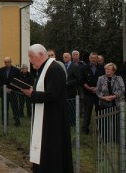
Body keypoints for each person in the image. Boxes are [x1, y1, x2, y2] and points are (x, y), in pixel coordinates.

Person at [21, 44, 73, 173]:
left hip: (53, 118)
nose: (30, 60)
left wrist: (32, 94)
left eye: (31, 57)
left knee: (52, 149)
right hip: (47, 116)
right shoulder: (45, 69)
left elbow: (52, 94)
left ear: (40, 55)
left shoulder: (54, 69)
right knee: (45, 148)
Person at [95, 63, 125, 143]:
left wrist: (114, 96)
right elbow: (97, 90)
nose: (107, 70)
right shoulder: (100, 78)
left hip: (116, 102)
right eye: (106, 69)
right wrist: (103, 97)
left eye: (109, 69)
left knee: (116, 121)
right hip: (104, 103)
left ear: (113, 71)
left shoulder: (118, 78)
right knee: (104, 122)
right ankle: (105, 139)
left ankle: (116, 139)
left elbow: (122, 89)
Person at [80, 52, 105, 134]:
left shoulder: (102, 68)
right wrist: (89, 88)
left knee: (100, 111)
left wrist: (97, 88)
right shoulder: (84, 68)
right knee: (87, 111)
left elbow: (104, 80)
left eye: (95, 58)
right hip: (88, 93)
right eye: (91, 58)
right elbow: (82, 80)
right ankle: (85, 129)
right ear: (89, 58)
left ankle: (101, 129)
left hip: (99, 94)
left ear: (97, 59)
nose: (93, 59)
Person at [0, 57, 21, 126]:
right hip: (4, 92)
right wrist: (5, 89)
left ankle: (17, 122)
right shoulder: (1, 70)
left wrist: (11, 89)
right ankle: (4, 122)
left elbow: (18, 81)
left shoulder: (16, 70)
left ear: (11, 61)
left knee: (15, 107)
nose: (7, 63)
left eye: (8, 62)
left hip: (13, 92)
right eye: (5, 62)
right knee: (4, 108)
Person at [63, 52, 78, 126]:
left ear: (69, 58)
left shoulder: (74, 66)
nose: (64, 58)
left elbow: (76, 79)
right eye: (63, 57)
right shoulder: (62, 66)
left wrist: (68, 83)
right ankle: (66, 121)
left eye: (65, 57)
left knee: (72, 107)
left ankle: (72, 122)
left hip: (71, 90)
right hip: (63, 91)